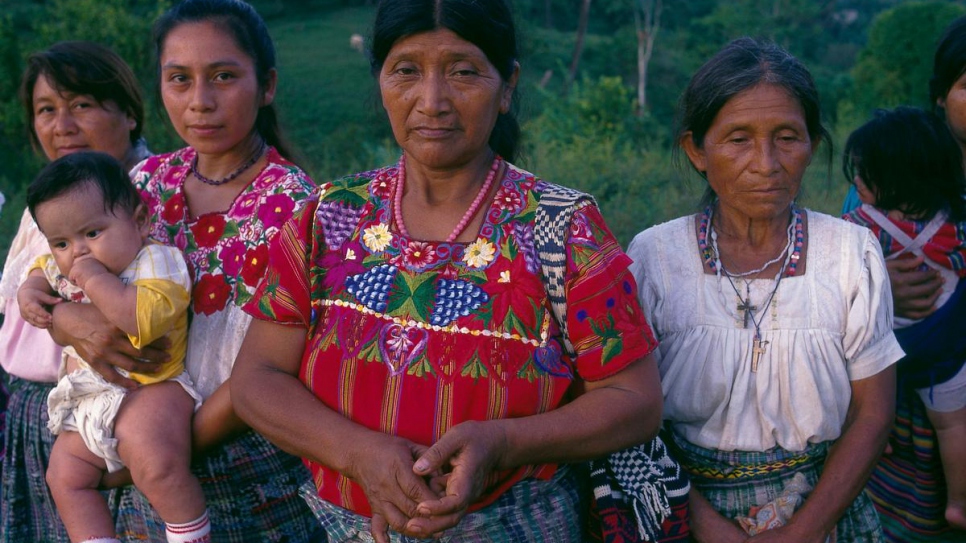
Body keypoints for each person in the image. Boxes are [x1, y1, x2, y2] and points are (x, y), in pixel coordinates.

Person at [230, 0, 670, 542]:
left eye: (463, 72)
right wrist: (357, 453)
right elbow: (256, 380)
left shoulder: (563, 229)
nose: (432, 102)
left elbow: (635, 401)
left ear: (507, 86)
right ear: (381, 82)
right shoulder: (327, 216)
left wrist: (502, 443)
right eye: (407, 71)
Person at [43, 1, 321, 541]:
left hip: (247, 477)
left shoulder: (297, 206)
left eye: (223, 76)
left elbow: (262, 372)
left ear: (266, 85)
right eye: (179, 79)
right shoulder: (144, 182)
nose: (200, 102)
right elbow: (64, 277)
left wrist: (154, 448)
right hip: (144, 469)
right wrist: (67, 321)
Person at [626, 38, 903, 542]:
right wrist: (707, 529)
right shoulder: (655, 257)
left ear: (813, 145)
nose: (767, 163)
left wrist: (801, 532)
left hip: (823, 511)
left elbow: (874, 410)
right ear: (696, 150)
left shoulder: (850, 253)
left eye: (787, 137)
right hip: (684, 508)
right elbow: (630, 416)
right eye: (737, 139)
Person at [0, 40, 151, 543]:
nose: (61, 125)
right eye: (46, 109)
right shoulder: (45, 200)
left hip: (97, 417)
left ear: (129, 113)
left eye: (81, 105)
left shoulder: (141, 197)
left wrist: (64, 318)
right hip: (29, 412)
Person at [17, 151, 208, 543]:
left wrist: (91, 280)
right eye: (62, 242)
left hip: (154, 386)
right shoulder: (66, 261)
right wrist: (30, 291)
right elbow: (41, 268)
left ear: (139, 222)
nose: (78, 252)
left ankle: (190, 535)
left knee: (155, 462)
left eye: (92, 234)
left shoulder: (157, 262)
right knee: (64, 476)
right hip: (92, 398)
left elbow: (138, 320)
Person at [841, 106, 966, 532]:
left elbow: (834, 277)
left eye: (864, 173)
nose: (855, 182)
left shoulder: (857, 228)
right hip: (944, 345)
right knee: (953, 423)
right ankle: (959, 502)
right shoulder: (953, 223)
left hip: (884, 352)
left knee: (872, 415)